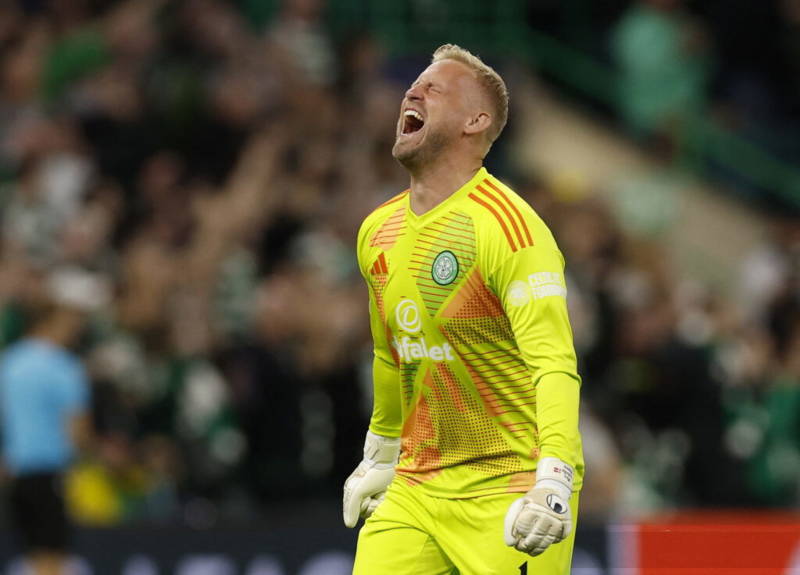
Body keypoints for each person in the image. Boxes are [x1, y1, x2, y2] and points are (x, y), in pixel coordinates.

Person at [343, 44, 584, 574]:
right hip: (417, 486)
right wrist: (381, 450)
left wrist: (555, 477)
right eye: (414, 85)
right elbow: (392, 354)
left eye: (435, 88)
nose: (413, 91)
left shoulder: (508, 228)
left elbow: (554, 365)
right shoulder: (376, 232)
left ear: (476, 121)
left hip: (511, 486)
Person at [0, 269, 103, 575]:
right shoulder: (66, 368)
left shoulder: (9, 362)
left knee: (30, 558)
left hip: (14, 478)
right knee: (51, 561)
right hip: (49, 476)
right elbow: (79, 434)